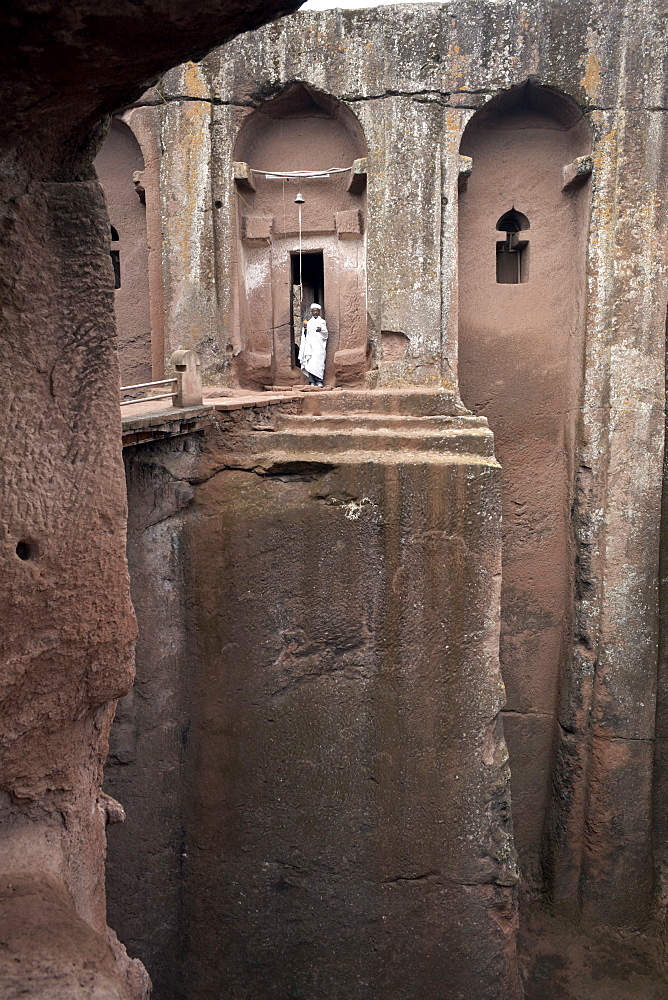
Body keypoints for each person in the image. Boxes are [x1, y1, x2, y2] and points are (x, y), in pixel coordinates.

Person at [300, 303, 328, 386]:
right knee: (311, 364)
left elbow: (326, 334)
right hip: (310, 346)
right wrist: (305, 328)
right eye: (314, 311)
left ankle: (319, 381)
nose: (315, 312)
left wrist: (321, 330)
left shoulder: (322, 322)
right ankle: (312, 381)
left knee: (319, 363)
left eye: (317, 311)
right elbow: (305, 335)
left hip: (319, 346)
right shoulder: (309, 323)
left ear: (319, 312)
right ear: (311, 312)